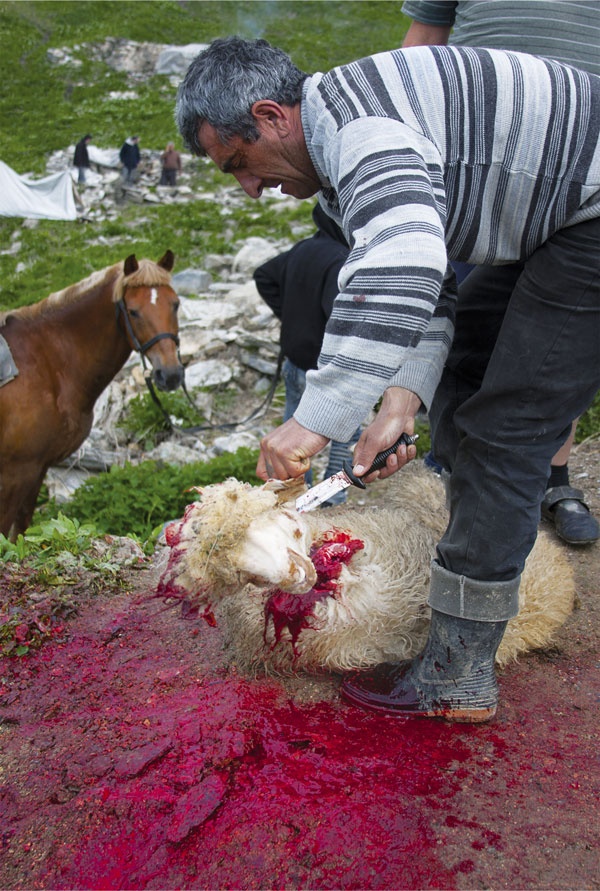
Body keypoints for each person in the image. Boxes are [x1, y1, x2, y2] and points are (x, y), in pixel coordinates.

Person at [175, 37, 600, 723]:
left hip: (588, 215)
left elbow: (403, 263)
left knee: (506, 427)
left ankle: (457, 671)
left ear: (271, 115)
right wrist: (398, 405)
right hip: (554, 220)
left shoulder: (360, 130)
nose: (250, 190)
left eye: (240, 164)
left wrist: (314, 419)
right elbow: (430, 292)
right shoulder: (345, 171)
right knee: (464, 379)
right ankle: (479, 577)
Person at [401, 0, 600, 546]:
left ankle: (551, 480)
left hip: (584, 168)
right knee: (463, 337)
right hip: (478, 167)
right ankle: (454, 485)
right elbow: (423, 38)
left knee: (550, 354)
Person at [253, 203, 361, 505]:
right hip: (325, 373)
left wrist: (289, 315)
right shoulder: (342, 260)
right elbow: (341, 319)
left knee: (292, 432)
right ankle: (330, 501)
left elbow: (264, 275)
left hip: (294, 363)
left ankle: (294, 495)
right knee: (345, 435)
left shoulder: (302, 249)